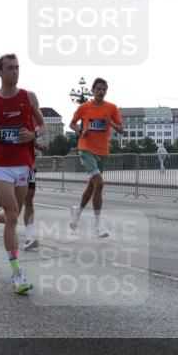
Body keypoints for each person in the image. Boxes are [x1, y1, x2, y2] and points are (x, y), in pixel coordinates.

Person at [0, 54, 47, 293]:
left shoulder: (28, 96)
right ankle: (17, 274)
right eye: (10, 68)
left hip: (24, 163)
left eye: (17, 68)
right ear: (0, 72)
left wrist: (33, 135)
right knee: (13, 214)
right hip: (1, 163)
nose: (15, 72)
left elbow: (43, 126)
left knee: (12, 216)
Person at [68, 78, 122, 238]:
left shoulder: (111, 108)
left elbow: (121, 130)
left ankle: (77, 212)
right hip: (86, 149)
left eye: (104, 89)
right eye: (98, 89)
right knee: (99, 183)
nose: (101, 92)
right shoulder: (84, 107)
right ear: (92, 90)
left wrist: (110, 123)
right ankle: (98, 224)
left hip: (102, 152)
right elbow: (72, 123)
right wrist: (80, 131)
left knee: (92, 187)